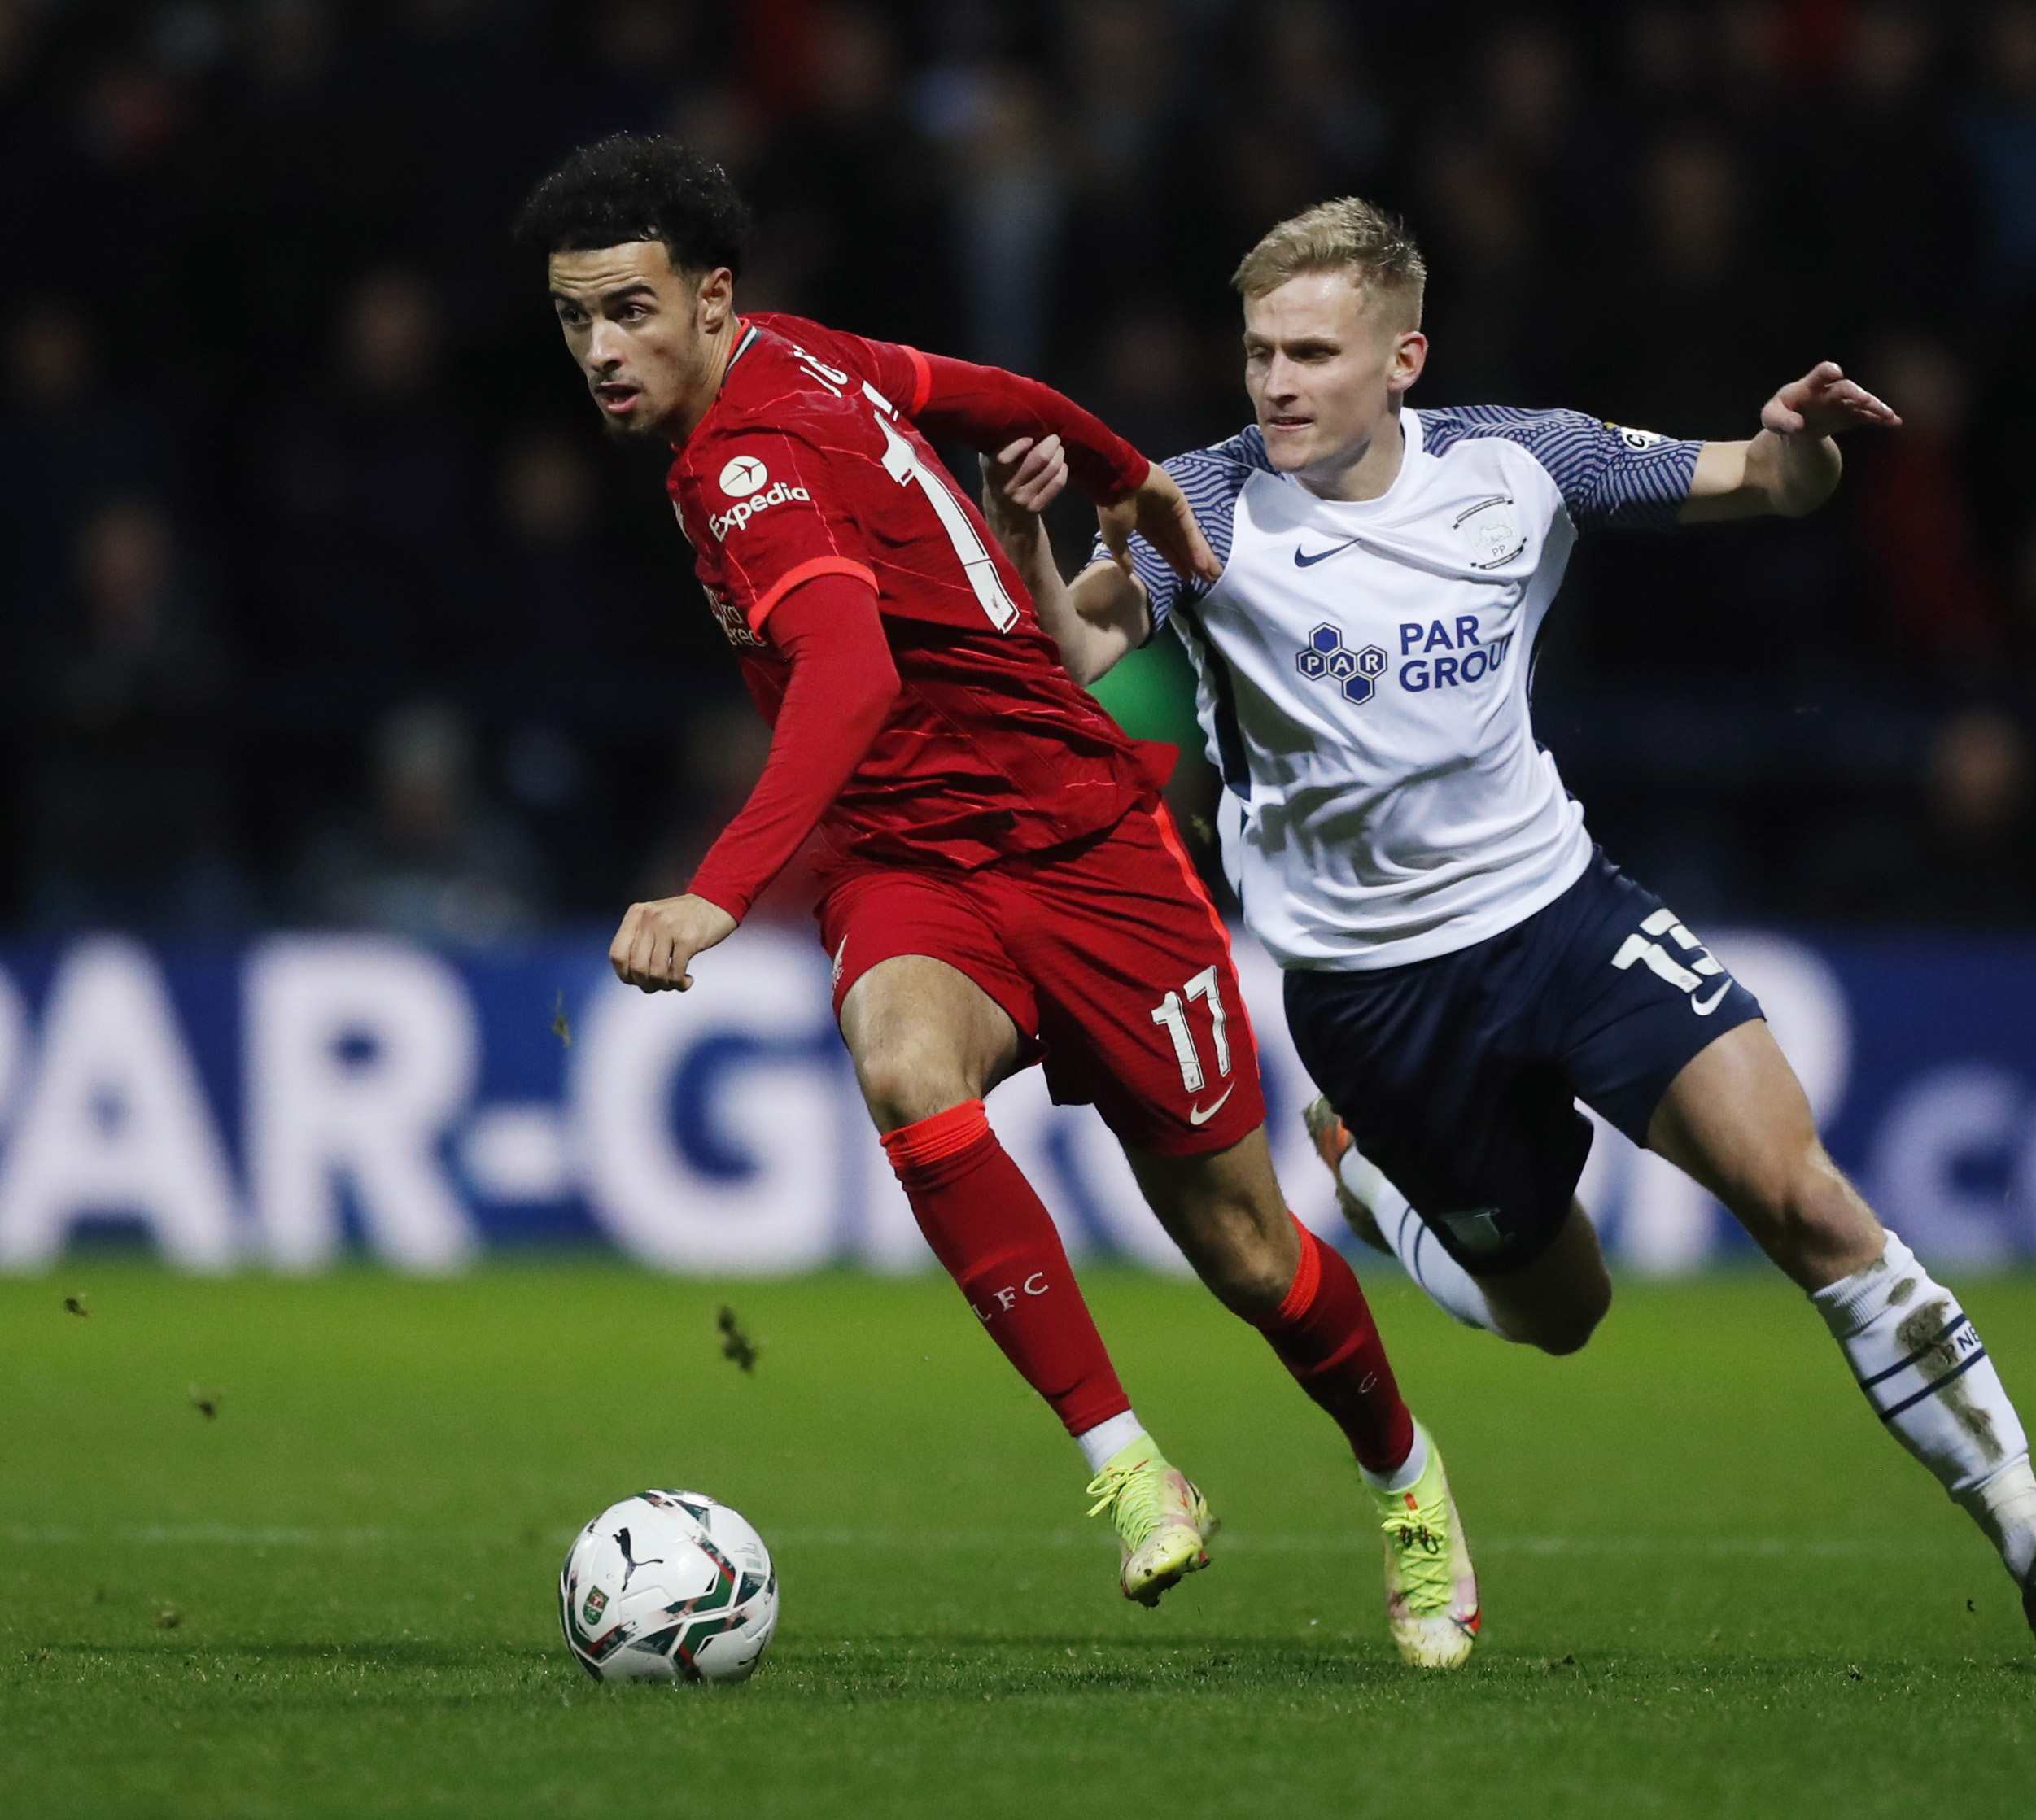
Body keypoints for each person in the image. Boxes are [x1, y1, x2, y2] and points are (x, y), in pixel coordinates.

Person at [981, 196, 2036, 1668]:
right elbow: (1075, 649)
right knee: (1561, 1311)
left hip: (1561, 914)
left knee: (1804, 1198)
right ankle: (1387, 1196)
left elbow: (1769, 481)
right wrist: (1021, 530)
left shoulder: (1521, 459)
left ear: (1403, 359)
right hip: (1373, 995)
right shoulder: (1207, 502)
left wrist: (1797, 439)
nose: (1275, 384)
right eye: (1258, 353)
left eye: (1311, 353)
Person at [513, 138, 1479, 1669]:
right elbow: (991, 394)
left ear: (711, 299)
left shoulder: (743, 465)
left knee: (1244, 1250)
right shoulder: (803, 354)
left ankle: (1405, 1479)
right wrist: (1123, 470)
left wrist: (715, 893)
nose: (601, 351)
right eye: (575, 319)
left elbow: (849, 671)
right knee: (906, 1064)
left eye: (629, 311)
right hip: (911, 863)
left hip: (1087, 849)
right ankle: (1128, 1465)